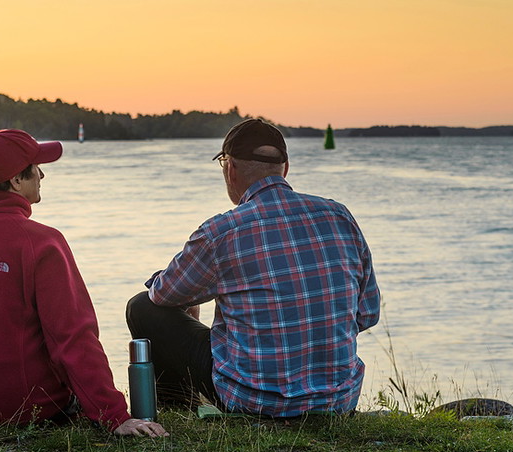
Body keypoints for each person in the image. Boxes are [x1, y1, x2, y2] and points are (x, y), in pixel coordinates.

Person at [0, 129, 167, 438]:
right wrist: (114, 415)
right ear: (16, 180)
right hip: (23, 407)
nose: (43, 175)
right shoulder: (43, 241)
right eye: (37, 168)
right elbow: (73, 338)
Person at [126, 118, 380, 417]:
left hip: (254, 402)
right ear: (285, 169)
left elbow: (163, 295)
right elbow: (366, 314)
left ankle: (178, 411)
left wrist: (183, 295)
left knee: (142, 307)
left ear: (230, 168)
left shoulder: (221, 232)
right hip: (338, 401)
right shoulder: (340, 217)